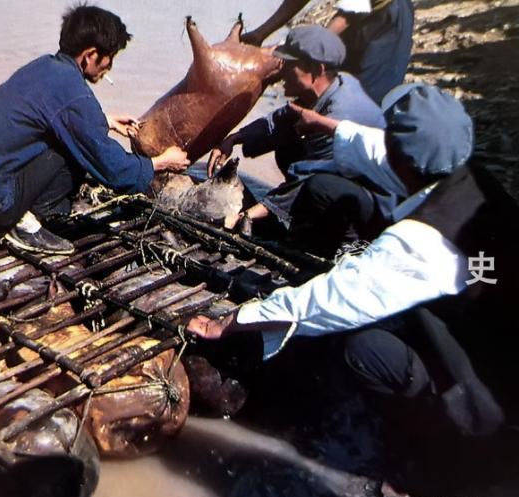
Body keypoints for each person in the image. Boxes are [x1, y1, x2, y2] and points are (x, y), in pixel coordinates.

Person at [188, 83, 519, 445]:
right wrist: (324, 124)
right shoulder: (468, 178)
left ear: (399, 158)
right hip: (491, 329)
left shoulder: (421, 240)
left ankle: (425, 446)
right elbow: (379, 150)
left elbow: (332, 299)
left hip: (489, 388)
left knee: (365, 348)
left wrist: (235, 321)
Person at [0, 5, 189, 255]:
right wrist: (159, 163)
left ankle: (30, 208)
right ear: (90, 55)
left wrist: (105, 120)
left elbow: (49, 112)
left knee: (74, 138)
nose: (109, 66)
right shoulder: (72, 91)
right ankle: (22, 223)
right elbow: (114, 169)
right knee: (79, 151)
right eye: (109, 57)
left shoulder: (45, 67)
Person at [208, 25, 385, 253]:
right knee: (287, 143)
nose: (281, 70)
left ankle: (324, 238)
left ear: (316, 69)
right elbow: (282, 118)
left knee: (315, 187)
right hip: (337, 180)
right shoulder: (333, 83)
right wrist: (234, 139)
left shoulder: (341, 114)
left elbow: (307, 177)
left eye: (289, 64)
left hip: (367, 206)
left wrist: (248, 214)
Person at [243, 0, 414, 104]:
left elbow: (350, 13)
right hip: (360, 14)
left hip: (387, 18)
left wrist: (307, 49)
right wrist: (261, 33)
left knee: (366, 95)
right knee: (330, 83)